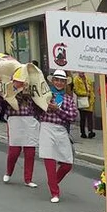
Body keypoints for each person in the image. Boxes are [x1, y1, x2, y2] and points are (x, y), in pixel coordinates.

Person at [37, 69, 78, 203]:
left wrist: (58, 110)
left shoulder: (68, 98)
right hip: (46, 127)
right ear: (52, 81)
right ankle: (54, 192)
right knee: (49, 159)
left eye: (62, 81)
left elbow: (72, 116)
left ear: (65, 83)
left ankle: (52, 181)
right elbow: (35, 110)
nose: (59, 83)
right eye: (57, 80)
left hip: (61, 129)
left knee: (67, 163)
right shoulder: (45, 95)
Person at [1, 89, 39, 187]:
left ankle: (28, 179)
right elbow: (1, 100)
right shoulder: (10, 87)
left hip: (30, 119)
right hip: (15, 119)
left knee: (30, 152)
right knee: (14, 151)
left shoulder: (33, 87)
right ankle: (8, 172)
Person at [72, 71, 96, 139]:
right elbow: (76, 90)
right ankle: (83, 132)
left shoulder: (88, 79)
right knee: (83, 118)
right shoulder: (76, 79)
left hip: (89, 100)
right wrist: (85, 93)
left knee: (90, 117)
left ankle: (90, 131)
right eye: (80, 72)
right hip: (82, 100)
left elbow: (91, 89)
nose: (81, 72)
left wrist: (92, 96)